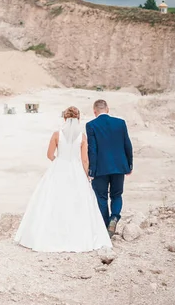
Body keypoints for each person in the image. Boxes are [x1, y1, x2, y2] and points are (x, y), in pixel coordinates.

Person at [14, 106, 112, 252]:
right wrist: (86, 176)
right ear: (78, 118)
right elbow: (85, 160)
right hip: (76, 169)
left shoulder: (56, 134)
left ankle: (47, 236)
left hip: (59, 167)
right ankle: (78, 237)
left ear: (65, 118)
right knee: (77, 201)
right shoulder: (82, 137)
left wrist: (58, 161)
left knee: (52, 200)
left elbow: (49, 155)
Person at [86, 99, 133, 237]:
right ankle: (114, 218)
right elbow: (127, 145)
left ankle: (106, 228)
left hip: (100, 168)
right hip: (119, 166)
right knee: (116, 195)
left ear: (95, 112)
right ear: (108, 109)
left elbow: (92, 150)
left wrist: (91, 170)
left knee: (101, 197)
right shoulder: (120, 123)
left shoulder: (91, 125)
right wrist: (129, 165)